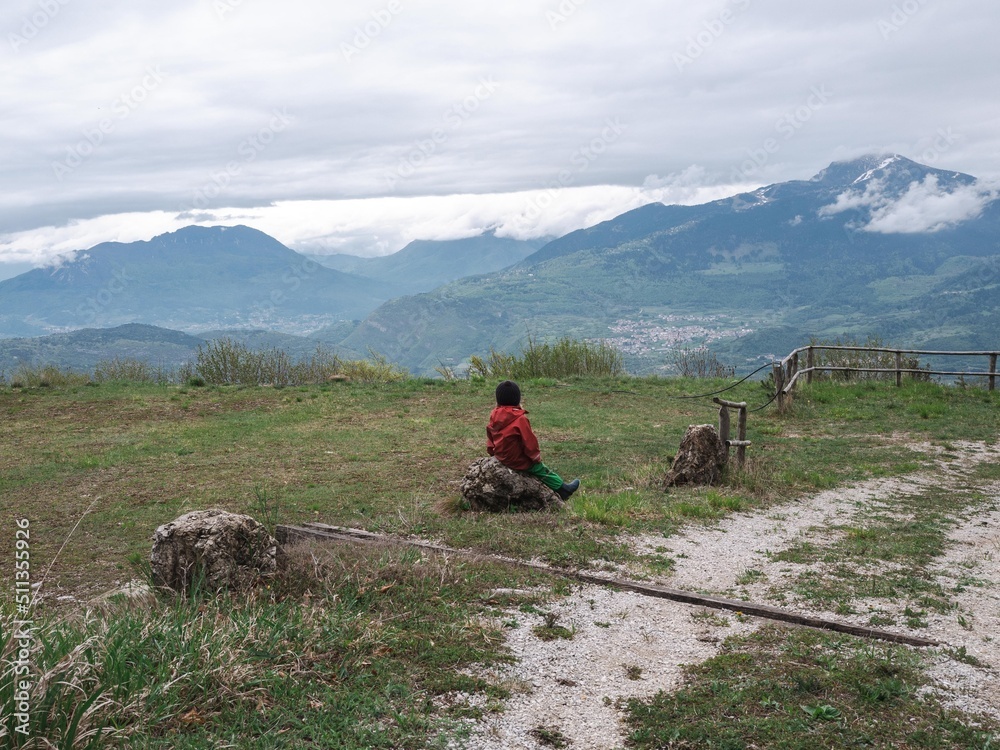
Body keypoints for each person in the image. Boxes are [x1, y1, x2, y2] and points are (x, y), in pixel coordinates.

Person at [486, 380, 580, 500]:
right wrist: (535, 458)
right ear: (517, 399)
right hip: (517, 460)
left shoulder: (494, 415)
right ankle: (564, 489)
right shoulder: (520, 419)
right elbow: (529, 442)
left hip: (501, 456)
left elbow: (490, 434)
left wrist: (492, 452)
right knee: (541, 470)